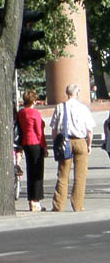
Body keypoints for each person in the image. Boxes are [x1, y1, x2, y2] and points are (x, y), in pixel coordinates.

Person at [49, 84, 95, 212]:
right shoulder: (83, 108)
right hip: (80, 141)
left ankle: (58, 205)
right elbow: (89, 130)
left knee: (63, 174)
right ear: (77, 93)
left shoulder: (60, 107)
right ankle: (78, 205)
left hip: (65, 141)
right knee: (80, 175)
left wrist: (55, 143)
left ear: (66, 93)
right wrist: (89, 145)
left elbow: (54, 128)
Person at [15, 89, 47, 211]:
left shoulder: (21, 113)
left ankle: (31, 200)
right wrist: (44, 147)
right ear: (33, 100)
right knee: (38, 173)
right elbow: (39, 132)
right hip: (35, 143)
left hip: (26, 143)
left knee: (30, 172)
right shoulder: (35, 113)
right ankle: (36, 201)